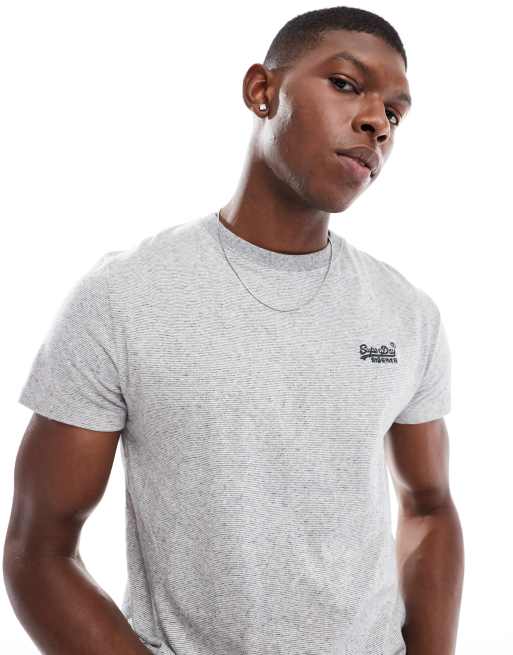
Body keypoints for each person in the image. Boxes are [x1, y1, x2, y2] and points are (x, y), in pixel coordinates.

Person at [4, 6, 464, 655]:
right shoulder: (124, 296)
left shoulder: (406, 313)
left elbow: (430, 505)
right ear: (261, 91)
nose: (377, 123)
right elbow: (39, 548)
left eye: (395, 112)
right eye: (345, 84)